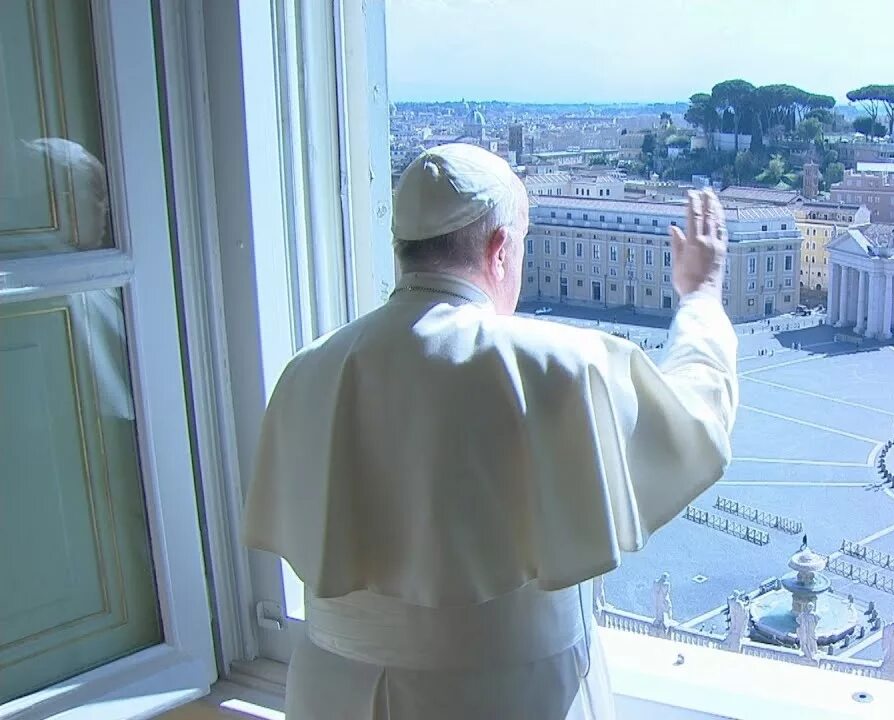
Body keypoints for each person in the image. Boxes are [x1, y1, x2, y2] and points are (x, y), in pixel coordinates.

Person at [242, 143, 738, 719]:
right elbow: (696, 418)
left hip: (332, 698)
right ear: (500, 250)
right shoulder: (557, 367)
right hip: (512, 700)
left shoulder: (306, 371)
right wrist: (701, 298)